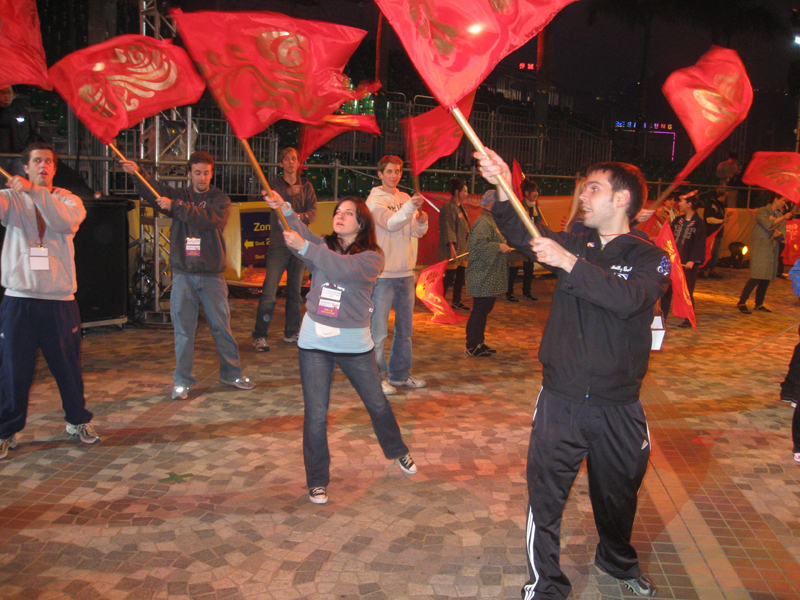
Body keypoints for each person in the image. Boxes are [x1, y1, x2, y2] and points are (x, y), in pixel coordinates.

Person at [475, 148, 669, 600]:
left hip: (618, 406)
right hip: (560, 399)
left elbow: (630, 300)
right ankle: (546, 586)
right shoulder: (575, 241)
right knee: (545, 499)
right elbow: (523, 231)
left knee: (617, 498)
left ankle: (616, 559)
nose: (584, 194)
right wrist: (505, 185)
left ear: (622, 199)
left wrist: (568, 263)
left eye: (594, 187)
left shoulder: (650, 257)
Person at [265, 193, 418, 505]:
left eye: (348, 213)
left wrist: (306, 247)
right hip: (314, 341)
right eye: (337, 212)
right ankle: (317, 479)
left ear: (361, 223)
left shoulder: (373, 256)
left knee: (377, 404)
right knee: (316, 413)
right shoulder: (322, 247)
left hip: (354, 345)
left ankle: (397, 450)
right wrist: (286, 209)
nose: (340, 216)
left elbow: (342, 269)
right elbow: (306, 239)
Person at [120, 152, 254, 399]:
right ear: (189, 174)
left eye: (206, 172)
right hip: (183, 274)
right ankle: (182, 380)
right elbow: (154, 191)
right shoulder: (181, 196)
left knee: (221, 327)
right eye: (197, 172)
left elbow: (209, 220)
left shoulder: (219, 199)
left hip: (212, 275)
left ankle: (231, 373)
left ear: (212, 173)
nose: (202, 177)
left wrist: (177, 207)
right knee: (183, 330)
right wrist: (137, 173)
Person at [1, 142, 100, 459]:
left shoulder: (68, 200)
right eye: (36, 161)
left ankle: (77, 421)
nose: (43, 165)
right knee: (14, 370)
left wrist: (34, 192)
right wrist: (23, 192)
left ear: (54, 169)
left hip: (59, 300)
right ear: (24, 167)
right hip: (19, 299)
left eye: (48, 161)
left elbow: (61, 223)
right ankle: (7, 430)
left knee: (68, 368)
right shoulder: (10, 198)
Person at [366, 155, 429, 397]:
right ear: (380, 174)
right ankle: (376, 377)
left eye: (398, 171)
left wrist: (421, 222)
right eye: (390, 171)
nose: (394, 175)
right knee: (379, 331)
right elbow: (390, 224)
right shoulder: (374, 201)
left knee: (405, 330)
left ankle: (400, 374)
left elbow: (414, 230)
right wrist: (411, 208)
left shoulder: (404, 198)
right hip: (383, 276)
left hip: (405, 273)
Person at [252, 147, 317, 352]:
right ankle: (260, 335)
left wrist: (298, 217)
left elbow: (312, 212)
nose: (291, 162)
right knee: (269, 291)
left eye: (294, 158)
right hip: (279, 245)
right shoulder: (274, 184)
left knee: (295, 293)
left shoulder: (307, 185)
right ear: (281, 163)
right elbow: (272, 203)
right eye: (287, 159)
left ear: (299, 163)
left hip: (299, 244)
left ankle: (291, 332)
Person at [465, 190, 512, 357]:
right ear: (493, 204)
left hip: (487, 275)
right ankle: (472, 345)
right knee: (479, 310)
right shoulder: (484, 222)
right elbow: (477, 246)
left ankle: (479, 342)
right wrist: (498, 246)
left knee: (483, 310)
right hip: (481, 274)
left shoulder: (490, 220)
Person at [737, 195, 792, 314]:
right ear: (775, 199)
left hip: (771, 248)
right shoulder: (762, 211)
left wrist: (779, 234)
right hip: (760, 247)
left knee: (766, 277)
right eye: (783, 200)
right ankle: (742, 301)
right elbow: (767, 223)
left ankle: (759, 303)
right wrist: (784, 217)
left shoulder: (778, 214)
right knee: (757, 276)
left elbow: (782, 230)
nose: (784, 203)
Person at [661, 193, 706, 328]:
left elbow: (699, 243)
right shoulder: (678, 221)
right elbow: (668, 236)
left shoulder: (698, 223)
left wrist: (693, 260)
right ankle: (662, 317)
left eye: (681, 202)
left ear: (689, 204)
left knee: (687, 290)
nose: (678, 204)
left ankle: (688, 318)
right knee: (666, 290)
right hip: (673, 261)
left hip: (687, 263)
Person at [439, 177, 470, 311]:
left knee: (460, 276)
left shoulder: (461, 207)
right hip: (452, 248)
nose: (467, 194)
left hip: (462, 247)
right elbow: (449, 228)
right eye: (465, 191)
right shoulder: (449, 208)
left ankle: (456, 301)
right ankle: (440, 302)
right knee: (449, 277)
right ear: (457, 192)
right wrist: (452, 247)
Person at [699, 189, 727, 279]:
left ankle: (711, 270)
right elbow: (709, 219)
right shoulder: (711, 206)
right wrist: (722, 221)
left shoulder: (720, 206)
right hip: (711, 233)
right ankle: (702, 270)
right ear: (720, 196)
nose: (725, 198)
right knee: (708, 252)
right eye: (724, 196)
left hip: (717, 234)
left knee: (715, 254)